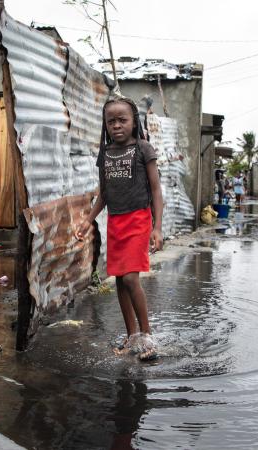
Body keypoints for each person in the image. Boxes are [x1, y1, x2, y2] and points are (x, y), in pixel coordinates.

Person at [75, 96, 163, 361]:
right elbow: (103, 195)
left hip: (138, 219)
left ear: (134, 121)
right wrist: (88, 220)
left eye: (122, 120)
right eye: (111, 121)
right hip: (115, 222)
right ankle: (131, 337)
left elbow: (156, 190)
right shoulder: (106, 153)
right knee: (119, 283)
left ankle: (147, 337)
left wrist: (157, 227)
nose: (116, 125)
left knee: (130, 278)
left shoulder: (143, 149)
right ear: (105, 124)